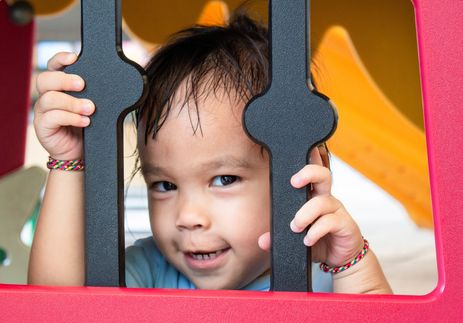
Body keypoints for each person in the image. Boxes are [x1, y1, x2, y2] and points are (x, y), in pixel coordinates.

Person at [28, 12, 392, 293]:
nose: (188, 217)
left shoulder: (324, 275)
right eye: (165, 185)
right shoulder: (150, 271)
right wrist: (69, 161)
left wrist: (353, 265)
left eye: (223, 179)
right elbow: (57, 309)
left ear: (305, 174)